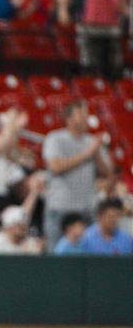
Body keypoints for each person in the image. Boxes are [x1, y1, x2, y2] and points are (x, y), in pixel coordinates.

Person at [42, 100, 111, 252]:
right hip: (60, 208)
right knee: (56, 256)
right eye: (81, 114)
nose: (86, 118)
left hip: (87, 208)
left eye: (86, 114)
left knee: (90, 258)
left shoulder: (91, 142)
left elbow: (107, 173)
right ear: (69, 118)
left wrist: (96, 154)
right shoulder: (55, 138)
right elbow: (55, 167)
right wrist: (86, 154)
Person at [56, 0, 126, 78]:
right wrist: (63, 9)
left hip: (112, 26)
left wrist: (125, 11)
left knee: (115, 70)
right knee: (90, 68)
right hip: (89, 24)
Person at [0, 179, 45, 255]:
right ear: (8, 226)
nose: (23, 226)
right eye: (18, 223)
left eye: (25, 223)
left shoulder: (30, 243)